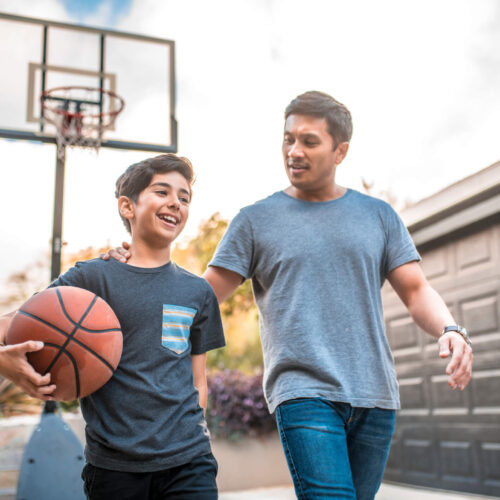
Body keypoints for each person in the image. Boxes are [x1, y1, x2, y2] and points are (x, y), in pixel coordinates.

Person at [105, 91, 473, 500]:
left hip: (376, 395)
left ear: (340, 151)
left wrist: (450, 328)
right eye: (288, 139)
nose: (293, 151)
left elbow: (417, 289)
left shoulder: (378, 216)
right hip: (302, 392)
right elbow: (200, 295)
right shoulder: (255, 221)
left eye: (309, 141)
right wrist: (136, 265)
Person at [0, 154, 225, 500]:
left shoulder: (198, 291)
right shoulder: (91, 278)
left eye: (184, 197)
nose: (175, 203)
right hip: (115, 467)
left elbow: (198, 379)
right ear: (127, 207)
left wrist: (195, 435)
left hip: (189, 461)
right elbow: (12, 324)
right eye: (162, 192)